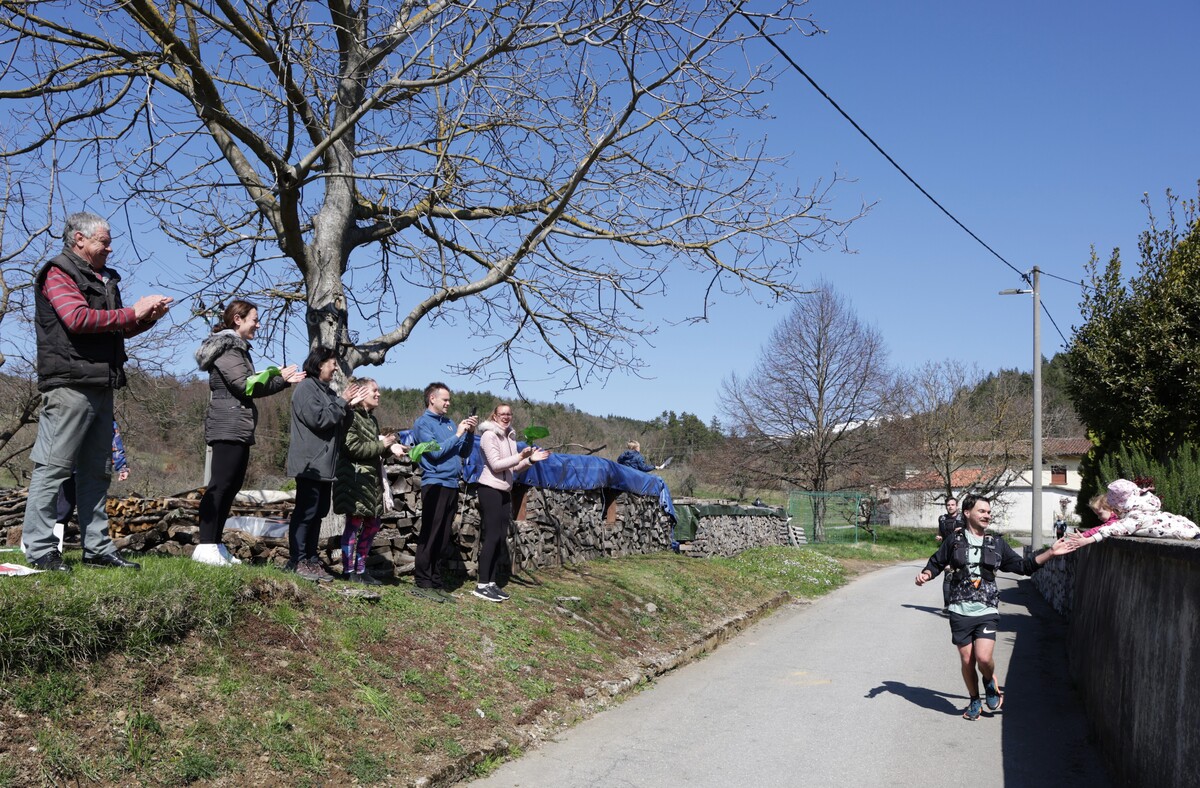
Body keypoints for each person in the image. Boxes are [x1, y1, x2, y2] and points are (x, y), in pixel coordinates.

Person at [22, 212, 172, 572]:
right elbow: (76, 318)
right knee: (53, 467)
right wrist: (131, 311)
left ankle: (97, 549)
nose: (109, 248)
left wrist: (146, 318)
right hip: (69, 385)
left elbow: (114, 328)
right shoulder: (59, 272)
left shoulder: (104, 278)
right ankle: (40, 549)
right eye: (104, 241)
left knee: (97, 472)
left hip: (102, 384)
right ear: (79, 239)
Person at [915, 494, 1078, 720]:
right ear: (967, 513)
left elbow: (1023, 567)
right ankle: (974, 700)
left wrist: (1050, 553)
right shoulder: (954, 540)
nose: (987, 515)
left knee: (983, 658)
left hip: (987, 609)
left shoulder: (996, 543)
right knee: (967, 660)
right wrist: (926, 574)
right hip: (959, 609)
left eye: (989, 512)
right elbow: (936, 561)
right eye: (982, 511)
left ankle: (989, 680)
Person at [193, 300, 304, 566]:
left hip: (237, 425)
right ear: (238, 319)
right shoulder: (228, 348)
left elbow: (251, 386)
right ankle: (205, 546)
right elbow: (244, 385)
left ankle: (215, 545)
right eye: (255, 319)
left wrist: (281, 381)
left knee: (231, 486)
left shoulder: (238, 350)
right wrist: (277, 376)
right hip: (227, 424)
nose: (258, 324)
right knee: (220, 486)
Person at [285, 346, 366, 582]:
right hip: (309, 462)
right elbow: (319, 419)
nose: (335, 368)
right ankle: (297, 560)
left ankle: (311, 559)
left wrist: (349, 406)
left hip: (325, 465)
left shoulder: (327, 392)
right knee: (306, 512)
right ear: (320, 364)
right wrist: (342, 401)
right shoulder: (306, 389)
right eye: (332, 363)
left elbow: (339, 424)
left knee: (318, 513)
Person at [475, 403, 549, 602]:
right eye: (502, 414)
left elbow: (513, 468)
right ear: (494, 416)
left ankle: (491, 583)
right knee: (492, 536)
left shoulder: (510, 437)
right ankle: (481, 585)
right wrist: (520, 456)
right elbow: (496, 465)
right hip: (490, 489)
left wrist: (531, 460)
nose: (506, 417)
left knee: (500, 538)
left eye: (509, 414)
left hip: (504, 491)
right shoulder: (489, 435)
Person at [410, 382, 477, 603]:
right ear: (432, 398)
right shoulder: (422, 424)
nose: (448, 403)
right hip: (435, 484)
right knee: (431, 533)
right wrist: (458, 434)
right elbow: (435, 452)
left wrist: (469, 433)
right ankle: (423, 581)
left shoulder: (449, 423)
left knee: (443, 535)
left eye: (449, 400)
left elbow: (464, 452)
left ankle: (436, 582)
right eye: (445, 399)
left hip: (451, 484)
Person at [333, 377, 402, 585]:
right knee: (354, 524)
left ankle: (361, 570)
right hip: (354, 479)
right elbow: (353, 448)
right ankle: (348, 570)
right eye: (374, 391)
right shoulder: (350, 416)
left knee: (373, 524)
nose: (378, 394)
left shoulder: (371, 419)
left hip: (370, 480)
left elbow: (374, 451)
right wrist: (383, 445)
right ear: (362, 394)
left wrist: (389, 449)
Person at [49, 420, 130, 553]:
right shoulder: (72, 413)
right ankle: (50, 550)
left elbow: (114, 440)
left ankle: (94, 552)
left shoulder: (105, 416)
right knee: (62, 511)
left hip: (92, 471)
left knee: (92, 511)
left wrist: (122, 466)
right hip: (69, 469)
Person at [1068, 478, 1200, 548]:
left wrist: (1088, 540)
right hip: (1189, 529)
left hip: (1188, 535)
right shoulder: (1144, 507)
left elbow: (1114, 529)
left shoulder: (1136, 516)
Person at [934, 496, 963, 613]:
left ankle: (960, 604)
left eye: (952, 505)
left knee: (961, 578)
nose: (950, 507)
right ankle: (947, 605)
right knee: (948, 577)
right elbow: (940, 532)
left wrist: (962, 529)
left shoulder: (963, 518)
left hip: (961, 552)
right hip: (947, 552)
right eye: (948, 505)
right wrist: (939, 536)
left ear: (957, 506)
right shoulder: (942, 519)